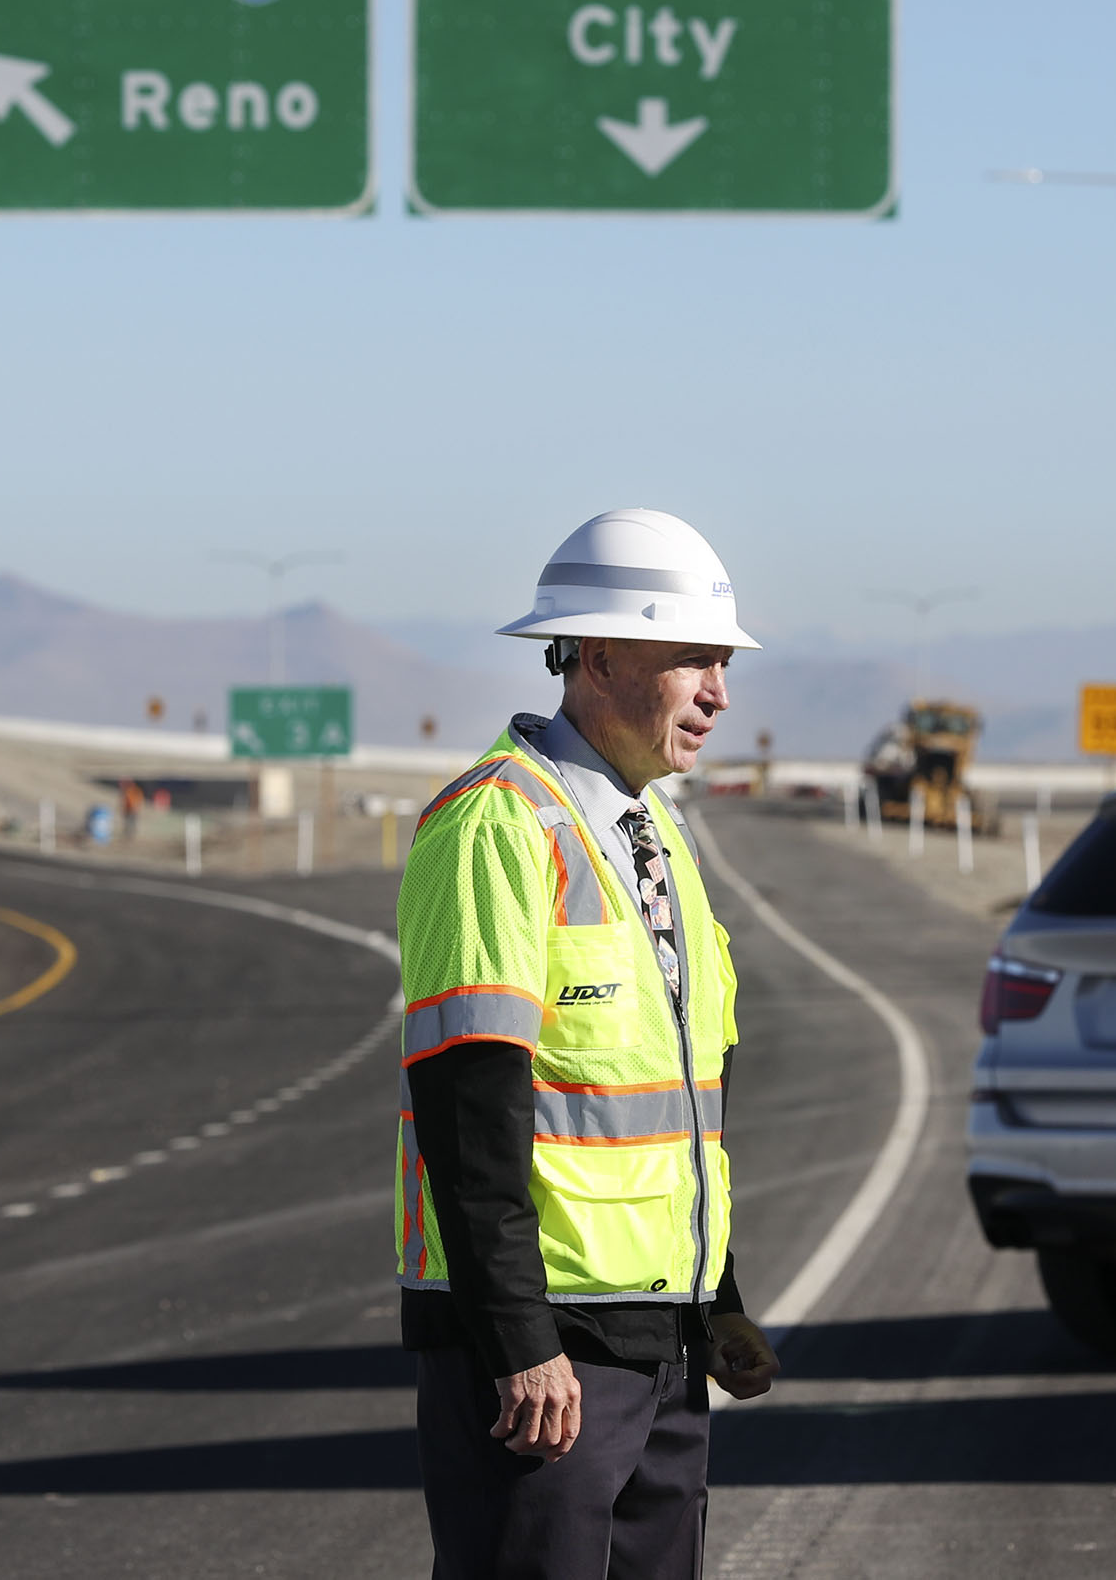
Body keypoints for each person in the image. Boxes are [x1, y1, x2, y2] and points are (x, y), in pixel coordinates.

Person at [395, 508, 782, 1580]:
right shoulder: (497, 826)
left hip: (660, 1345)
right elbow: (471, 1108)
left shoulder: (658, 838)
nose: (720, 690)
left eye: (722, 660)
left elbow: (688, 1108)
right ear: (600, 655)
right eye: (695, 658)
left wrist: (722, 1303)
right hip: (545, 1361)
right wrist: (519, 1341)